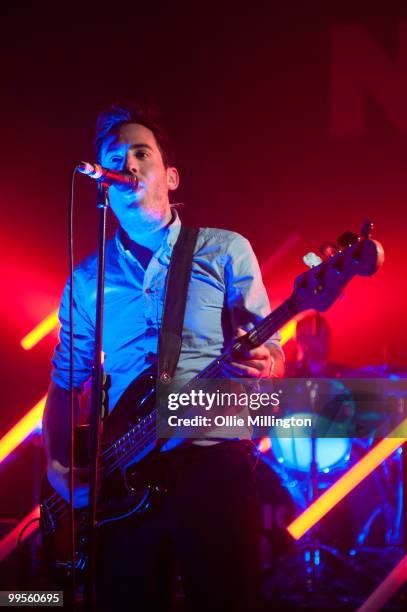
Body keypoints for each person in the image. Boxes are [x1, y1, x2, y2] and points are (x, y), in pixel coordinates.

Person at [42, 103, 284, 612]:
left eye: (140, 152)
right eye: (114, 157)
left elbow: (271, 357)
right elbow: (66, 382)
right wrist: (58, 465)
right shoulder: (87, 279)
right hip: (121, 478)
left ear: (170, 176)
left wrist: (265, 363)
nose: (126, 163)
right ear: (103, 184)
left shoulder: (224, 250)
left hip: (213, 463)